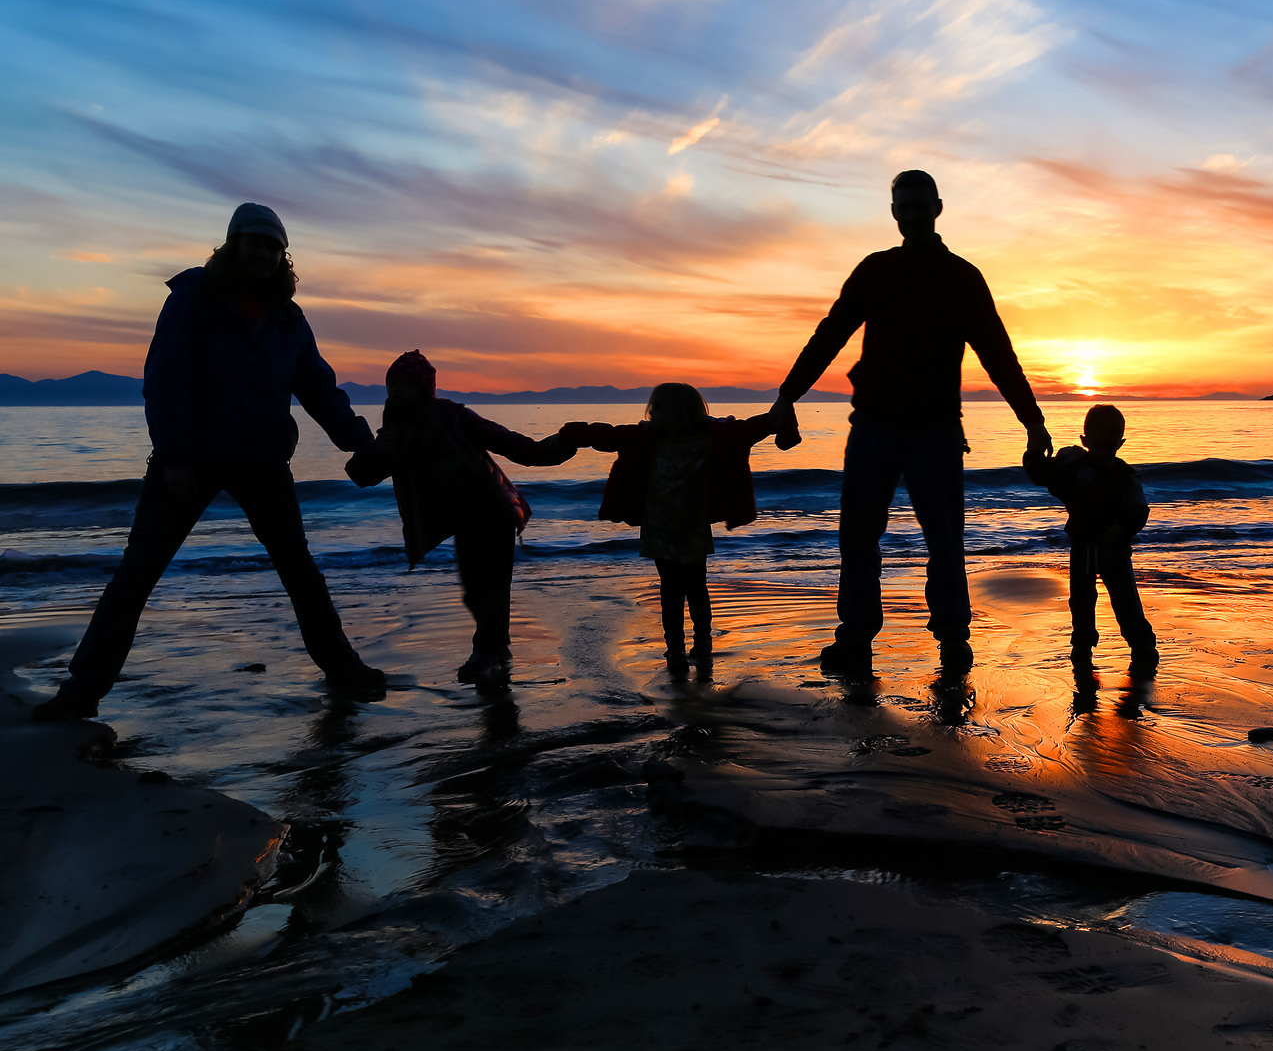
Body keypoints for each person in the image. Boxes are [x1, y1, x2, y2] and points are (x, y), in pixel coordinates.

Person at [33, 203, 384, 721]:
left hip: (262, 459)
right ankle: (81, 692)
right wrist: (174, 458)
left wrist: (359, 441)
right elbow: (166, 382)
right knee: (137, 575)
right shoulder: (194, 300)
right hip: (191, 459)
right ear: (233, 243)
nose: (264, 253)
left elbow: (318, 387)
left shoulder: (288, 316)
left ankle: (342, 670)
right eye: (255, 242)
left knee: (300, 571)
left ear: (282, 256)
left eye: (273, 246)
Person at [769, 169, 1053, 674]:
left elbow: (998, 354)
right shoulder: (875, 270)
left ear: (937, 208)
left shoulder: (963, 277)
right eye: (904, 205)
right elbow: (830, 334)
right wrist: (787, 395)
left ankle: (952, 640)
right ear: (895, 212)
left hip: (935, 429)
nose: (913, 213)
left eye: (921, 205)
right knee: (858, 535)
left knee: (944, 537)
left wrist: (1032, 421)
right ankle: (855, 638)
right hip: (874, 423)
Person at [344, 351, 576, 690]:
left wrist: (566, 443)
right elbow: (362, 475)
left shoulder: (454, 417)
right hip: (460, 519)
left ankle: (485, 653)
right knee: (475, 591)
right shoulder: (397, 430)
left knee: (490, 585)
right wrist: (379, 449)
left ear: (423, 387)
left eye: (404, 383)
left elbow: (516, 446)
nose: (396, 390)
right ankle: (498, 647)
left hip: (492, 510)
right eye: (391, 383)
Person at [561, 385, 777, 667]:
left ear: (670, 409)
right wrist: (574, 434)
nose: (651, 411)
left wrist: (779, 415)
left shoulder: (693, 435)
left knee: (680, 588)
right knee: (687, 587)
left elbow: (749, 429)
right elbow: (606, 435)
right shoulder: (663, 436)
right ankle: (688, 645)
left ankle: (688, 645)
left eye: (658, 406)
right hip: (671, 524)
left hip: (676, 525)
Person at [1024, 403, 1158, 671]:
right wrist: (1035, 447)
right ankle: (1082, 645)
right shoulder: (1073, 465)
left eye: (1111, 446)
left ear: (1120, 443)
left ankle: (1142, 645)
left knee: (1125, 597)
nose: (1105, 452)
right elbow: (1041, 473)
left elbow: (1139, 510)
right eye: (1099, 445)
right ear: (1085, 441)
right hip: (1083, 544)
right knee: (1081, 598)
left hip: (1114, 548)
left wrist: (1121, 529)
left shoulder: (1125, 475)